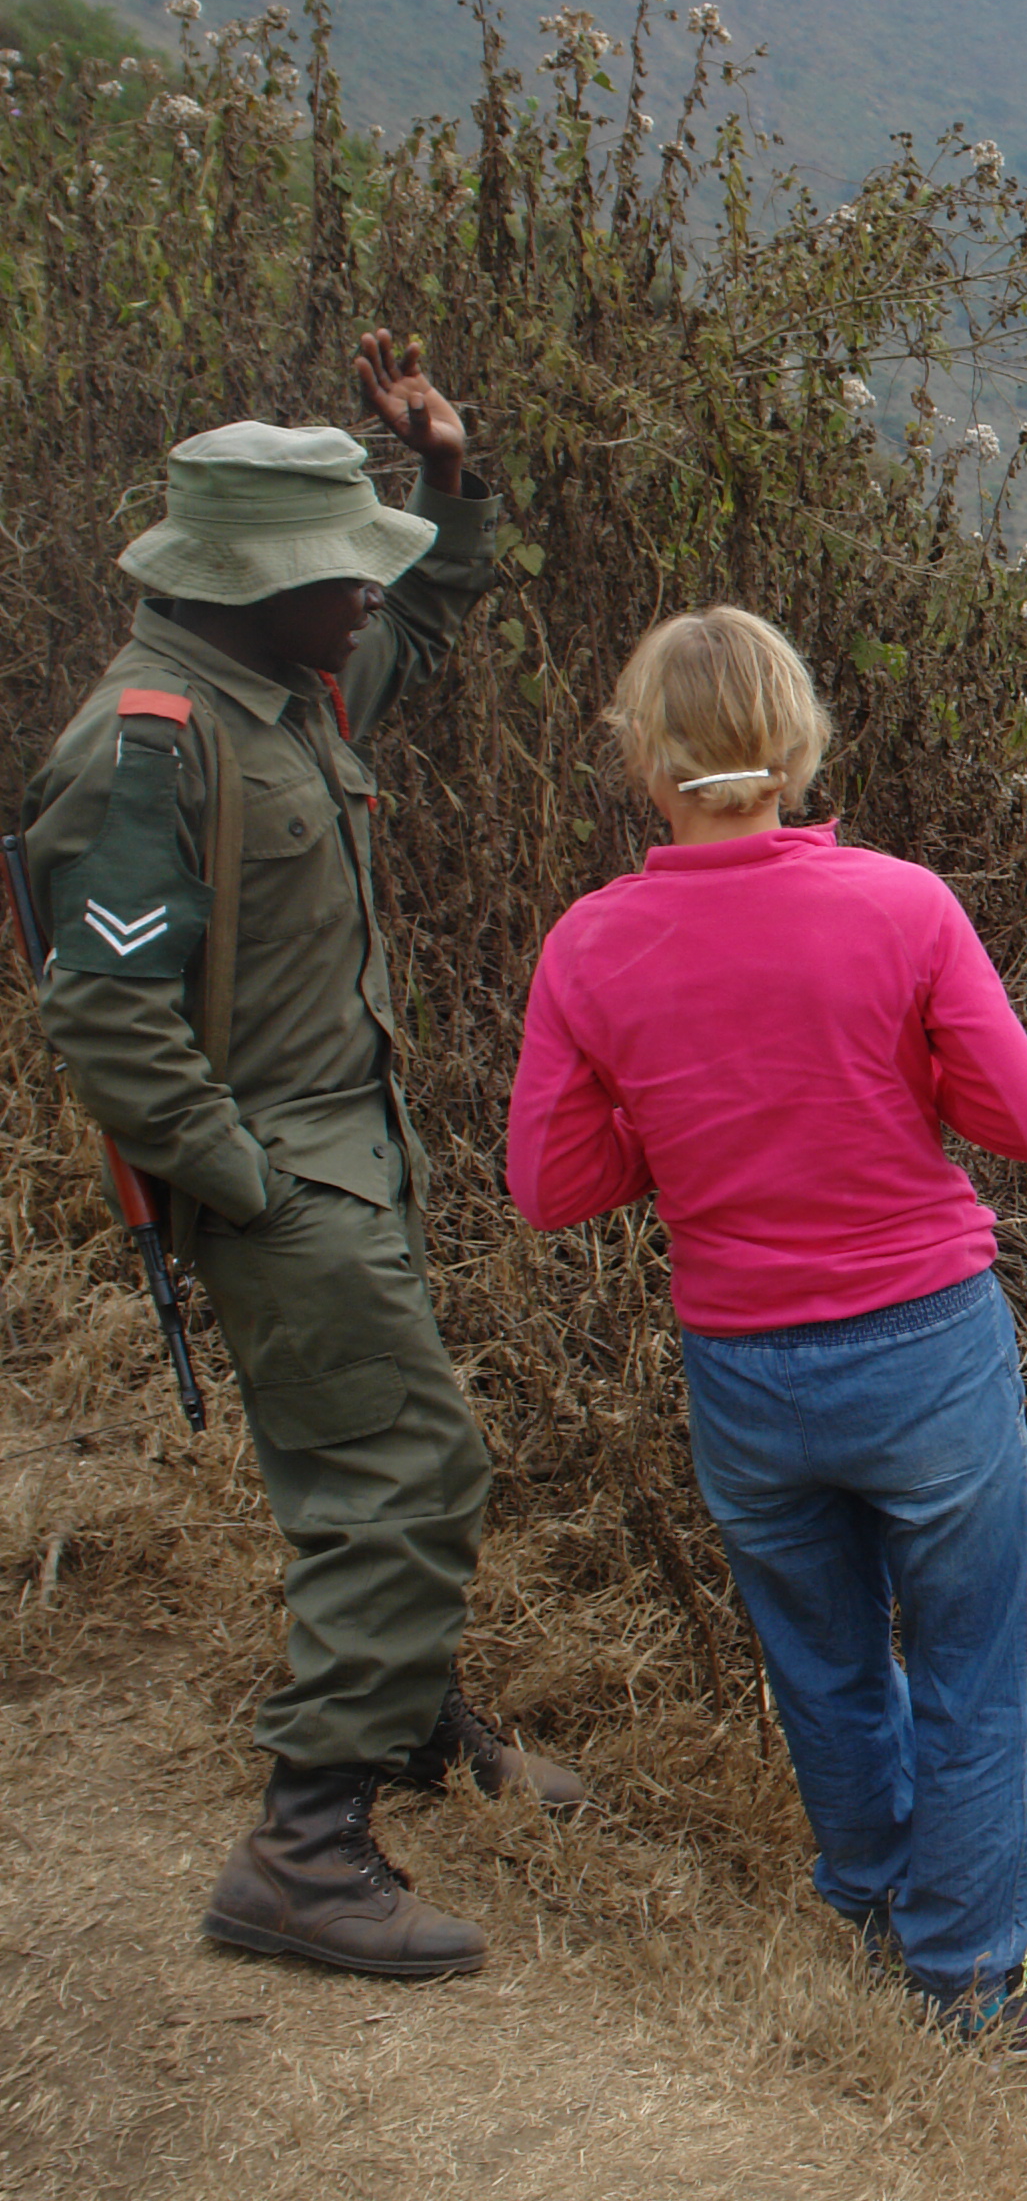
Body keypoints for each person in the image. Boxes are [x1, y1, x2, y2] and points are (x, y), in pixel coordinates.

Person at [20, 334, 586, 1982]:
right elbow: (104, 1016)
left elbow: (425, 616)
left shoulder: (287, 684)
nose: (365, 598)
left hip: (354, 1156)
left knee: (379, 1456)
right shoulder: (147, 747)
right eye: (337, 575)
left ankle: (408, 1719)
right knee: (410, 1476)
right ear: (253, 584)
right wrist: (247, 1181)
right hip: (289, 1181)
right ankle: (306, 1843)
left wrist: (446, 483)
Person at [503, 606, 1027, 2057]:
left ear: (640, 758)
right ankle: (979, 1980)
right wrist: (894, 1073)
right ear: (794, 746)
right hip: (922, 1345)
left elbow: (550, 1188)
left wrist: (675, 1121)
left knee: (824, 1654)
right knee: (979, 1659)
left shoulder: (592, 945)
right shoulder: (900, 906)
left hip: (742, 1363)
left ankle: (869, 1895)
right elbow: (1025, 1124)